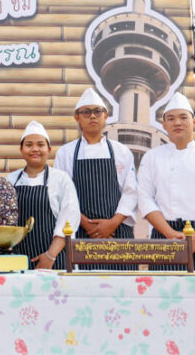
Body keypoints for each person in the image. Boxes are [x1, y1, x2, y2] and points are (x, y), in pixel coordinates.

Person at [138, 92, 195, 270]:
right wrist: (169, 234)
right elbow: (145, 199)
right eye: (171, 119)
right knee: (162, 294)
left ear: (194, 122)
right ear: (164, 124)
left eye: (183, 117)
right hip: (163, 237)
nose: (177, 123)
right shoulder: (151, 158)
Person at [54, 88, 138, 270]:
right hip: (81, 232)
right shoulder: (65, 153)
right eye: (86, 112)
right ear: (77, 118)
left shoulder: (121, 151)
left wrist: (112, 223)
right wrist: (87, 225)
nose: (92, 116)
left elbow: (131, 192)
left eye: (97, 111)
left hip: (117, 233)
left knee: (123, 289)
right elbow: (62, 194)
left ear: (106, 116)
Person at [8, 121, 81, 270]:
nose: (35, 149)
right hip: (18, 259)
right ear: (21, 150)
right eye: (29, 145)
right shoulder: (11, 180)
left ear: (49, 149)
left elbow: (69, 219)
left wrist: (50, 256)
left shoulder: (61, 179)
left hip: (56, 259)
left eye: (40, 145)